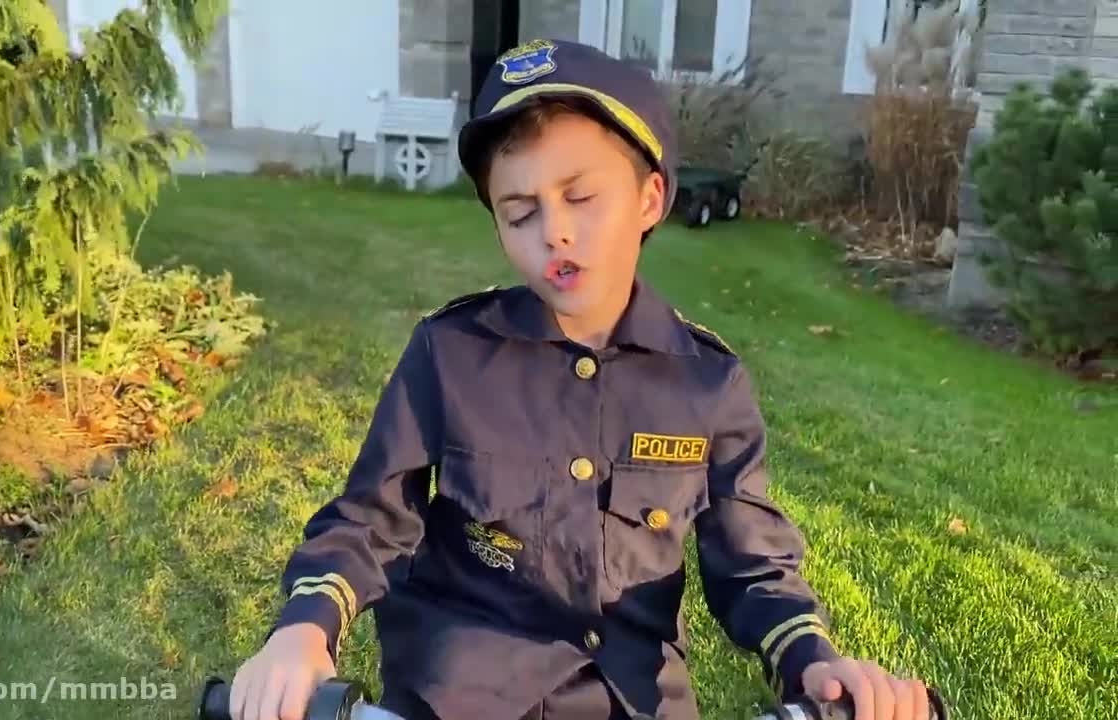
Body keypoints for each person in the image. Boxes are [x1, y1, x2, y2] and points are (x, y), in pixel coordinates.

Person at [227, 39, 931, 720]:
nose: (554, 233)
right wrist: (304, 630)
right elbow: (369, 518)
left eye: (581, 197)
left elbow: (753, 567)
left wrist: (815, 661)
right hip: (458, 698)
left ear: (650, 199)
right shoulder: (450, 353)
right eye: (520, 212)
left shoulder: (708, 384)